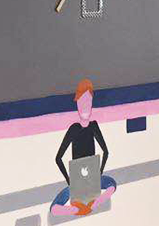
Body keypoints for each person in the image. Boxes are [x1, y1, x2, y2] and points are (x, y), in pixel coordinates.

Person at [50, 79, 117, 217]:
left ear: (91, 103)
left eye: (88, 101)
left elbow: (106, 151)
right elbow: (58, 158)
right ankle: (77, 209)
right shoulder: (74, 129)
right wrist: (70, 181)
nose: (85, 105)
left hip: (92, 180)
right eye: (82, 102)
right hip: (77, 183)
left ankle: (94, 203)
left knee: (111, 185)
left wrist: (99, 173)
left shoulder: (93, 126)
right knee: (54, 208)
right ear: (77, 104)